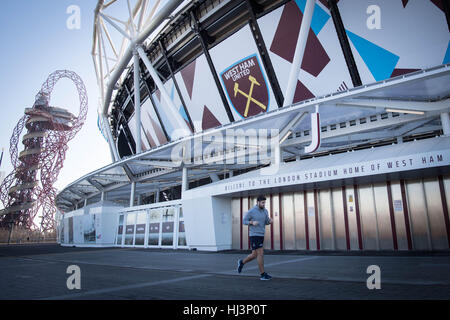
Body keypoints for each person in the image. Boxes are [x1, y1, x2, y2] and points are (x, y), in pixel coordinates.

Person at [237, 195, 273, 280]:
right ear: (258, 202)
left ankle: (242, 262)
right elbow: (244, 221)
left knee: (254, 255)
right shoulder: (252, 211)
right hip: (254, 235)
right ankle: (263, 274)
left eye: (265, 202)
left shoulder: (265, 211)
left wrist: (269, 221)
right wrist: (252, 222)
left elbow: (266, 221)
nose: (264, 204)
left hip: (261, 234)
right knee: (260, 253)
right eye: (262, 202)